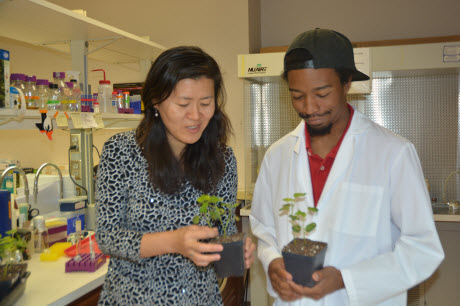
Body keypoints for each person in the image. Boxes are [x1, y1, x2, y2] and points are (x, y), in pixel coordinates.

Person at [249, 28, 444, 305]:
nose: (309, 107)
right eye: (297, 95)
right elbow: (263, 227)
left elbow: (423, 250)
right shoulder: (277, 156)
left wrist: (346, 279)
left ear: (347, 83)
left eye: (322, 93)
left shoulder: (393, 153)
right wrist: (272, 262)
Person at [96, 46, 256, 305]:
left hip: (200, 298)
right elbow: (108, 236)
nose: (195, 116)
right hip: (134, 298)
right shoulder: (121, 151)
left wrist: (234, 250)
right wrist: (173, 241)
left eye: (206, 103)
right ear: (156, 102)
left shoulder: (223, 160)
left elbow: (223, 230)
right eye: (183, 104)